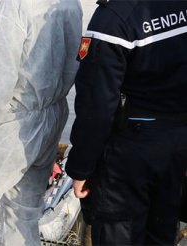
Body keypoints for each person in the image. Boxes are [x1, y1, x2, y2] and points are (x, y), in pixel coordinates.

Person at [0, 0, 82, 244]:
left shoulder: (11, 6)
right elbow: (73, 64)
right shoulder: (69, 4)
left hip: (11, 125)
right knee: (23, 216)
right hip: (51, 116)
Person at [65, 1, 187, 245]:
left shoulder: (112, 19)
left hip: (129, 155)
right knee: (161, 235)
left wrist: (81, 169)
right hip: (176, 145)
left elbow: (97, 107)